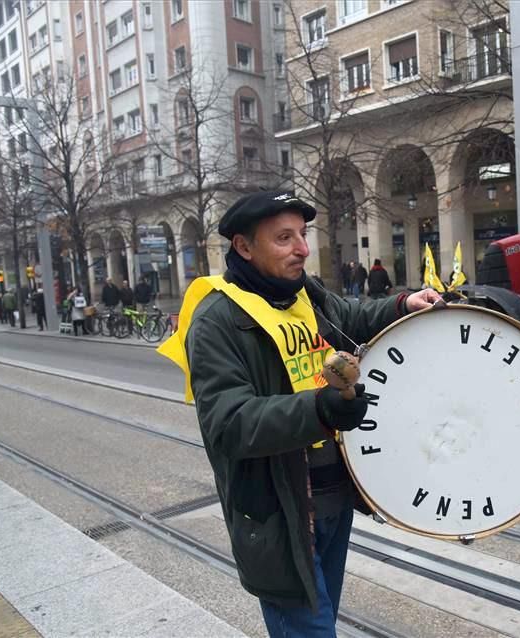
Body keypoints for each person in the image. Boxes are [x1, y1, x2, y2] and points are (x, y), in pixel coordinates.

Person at [158, 192, 440, 637]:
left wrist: (403, 305)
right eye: (284, 238)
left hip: (332, 502)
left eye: (303, 235)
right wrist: (320, 409)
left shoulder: (303, 293)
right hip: (279, 513)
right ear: (244, 248)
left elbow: (354, 316)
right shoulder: (217, 319)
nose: (303, 249)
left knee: (320, 619)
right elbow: (229, 424)